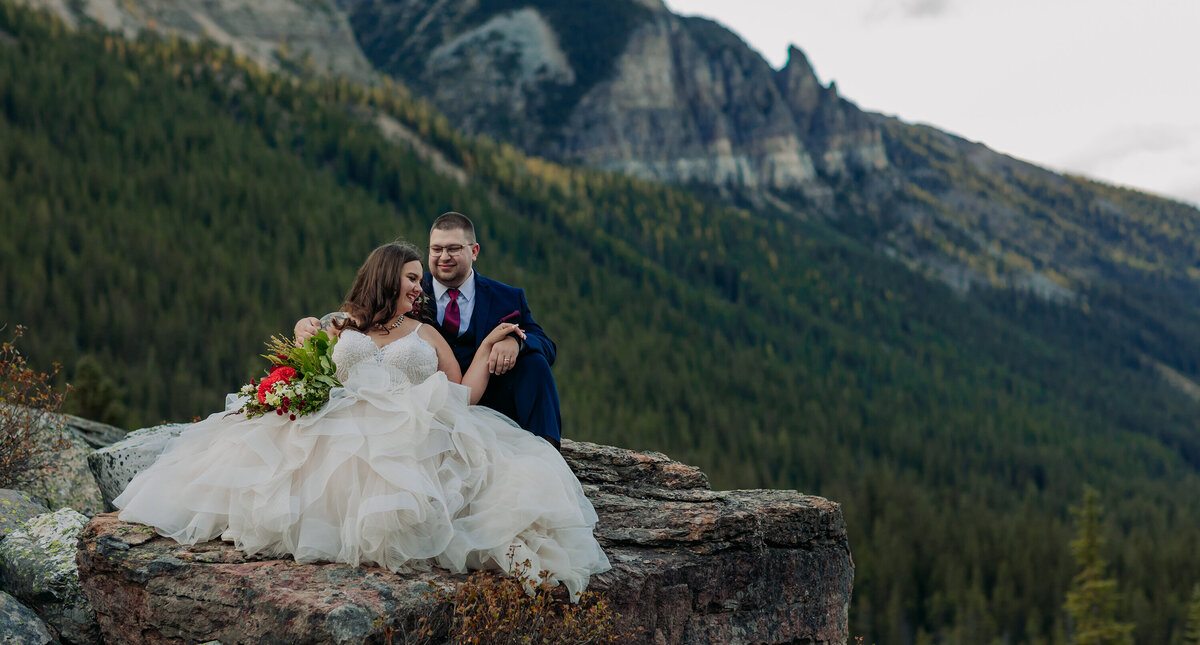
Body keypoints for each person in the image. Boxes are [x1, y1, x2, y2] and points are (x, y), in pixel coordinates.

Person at [115, 242, 610, 598]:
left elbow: (461, 393)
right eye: (414, 277)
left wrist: (485, 347)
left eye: (422, 278)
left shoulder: (425, 333)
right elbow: (310, 359)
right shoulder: (343, 323)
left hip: (410, 428)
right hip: (341, 423)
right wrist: (303, 329)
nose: (421, 287)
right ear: (387, 275)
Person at [295, 212, 563, 449]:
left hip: (473, 402)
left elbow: (545, 342)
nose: (443, 257)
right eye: (436, 249)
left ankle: (547, 451)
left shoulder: (508, 297)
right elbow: (352, 321)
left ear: (474, 251)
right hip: (376, 415)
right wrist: (305, 327)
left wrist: (515, 343)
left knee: (536, 363)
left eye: (453, 248)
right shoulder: (406, 292)